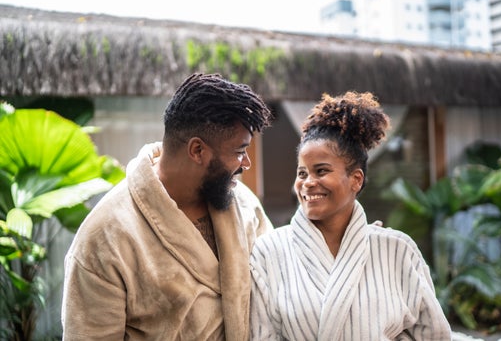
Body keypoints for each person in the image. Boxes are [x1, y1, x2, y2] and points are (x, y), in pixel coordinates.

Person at [62, 73, 274, 341]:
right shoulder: (105, 236)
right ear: (197, 150)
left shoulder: (244, 205)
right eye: (239, 151)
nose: (246, 164)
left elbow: (275, 292)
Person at [249, 91, 452, 340]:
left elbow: (434, 334)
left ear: (356, 179)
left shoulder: (397, 250)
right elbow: (261, 335)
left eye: (321, 171)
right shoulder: (269, 251)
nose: (308, 183)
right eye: (302, 173)